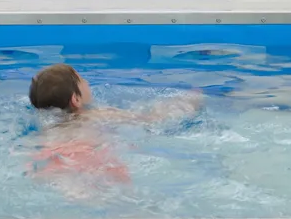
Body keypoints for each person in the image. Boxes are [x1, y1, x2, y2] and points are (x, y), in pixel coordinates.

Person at [26, 63, 202, 185]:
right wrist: (190, 101)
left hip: (51, 157)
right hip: (89, 157)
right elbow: (152, 118)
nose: (87, 82)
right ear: (76, 99)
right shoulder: (95, 114)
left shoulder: (45, 127)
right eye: (82, 80)